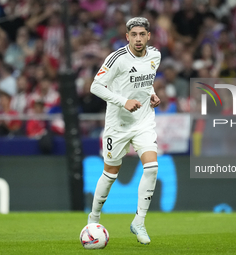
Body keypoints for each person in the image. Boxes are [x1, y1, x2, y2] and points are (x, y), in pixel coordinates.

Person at [88, 17, 161, 245]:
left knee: (152, 167)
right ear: (127, 36)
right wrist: (123, 101)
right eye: (134, 35)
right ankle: (94, 218)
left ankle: (139, 222)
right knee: (110, 174)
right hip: (118, 125)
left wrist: (152, 94)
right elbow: (95, 86)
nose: (138, 39)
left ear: (148, 36)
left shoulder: (155, 56)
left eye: (142, 34)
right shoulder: (117, 58)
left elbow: (145, 82)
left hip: (143, 120)